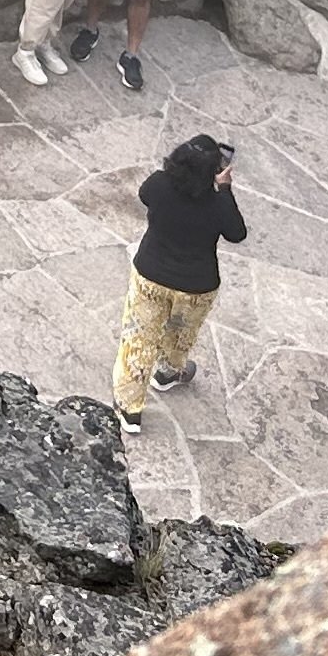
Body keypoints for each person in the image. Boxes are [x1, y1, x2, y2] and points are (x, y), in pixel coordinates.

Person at [114, 132, 246, 434]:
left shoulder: (160, 185)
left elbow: (144, 194)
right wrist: (224, 189)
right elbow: (237, 233)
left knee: (139, 338)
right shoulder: (216, 205)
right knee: (180, 332)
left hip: (151, 276)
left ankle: (129, 408)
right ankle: (168, 372)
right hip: (196, 285)